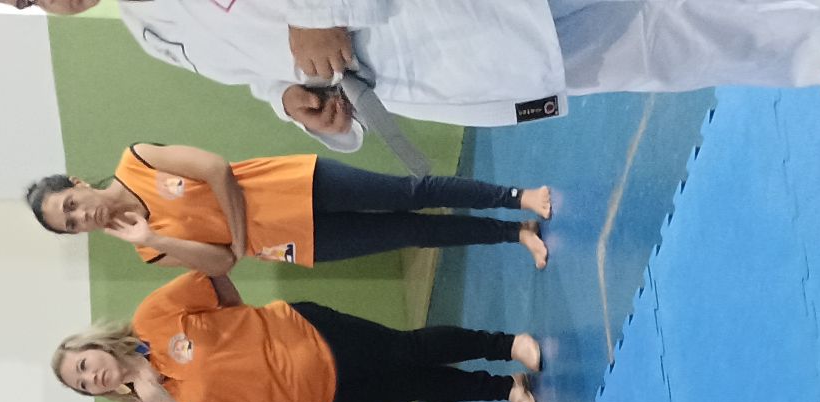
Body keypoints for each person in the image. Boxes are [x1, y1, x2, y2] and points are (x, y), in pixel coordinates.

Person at [0, 0, 820, 138]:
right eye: (28, 4)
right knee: (649, 48)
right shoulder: (151, 31)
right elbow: (254, 73)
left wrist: (315, 10)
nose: (47, 1)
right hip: (440, 62)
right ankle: (811, 43)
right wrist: (299, 102)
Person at [52, 272, 539, 402]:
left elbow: (213, 275)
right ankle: (504, 390)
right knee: (413, 386)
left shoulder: (152, 317)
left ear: (94, 345)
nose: (92, 376)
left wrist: (246, 320)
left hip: (310, 336)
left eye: (84, 365)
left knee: (406, 350)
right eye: (84, 384)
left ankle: (505, 345)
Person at [27, 144, 551, 270]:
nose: (80, 216)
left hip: (298, 184)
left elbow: (216, 169)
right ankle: (514, 234)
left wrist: (236, 236)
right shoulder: (148, 250)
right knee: (411, 232)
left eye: (71, 203)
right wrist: (154, 238)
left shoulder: (138, 159)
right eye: (69, 224)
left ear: (78, 183)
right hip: (294, 242)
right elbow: (220, 264)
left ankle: (514, 197)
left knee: (408, 194)